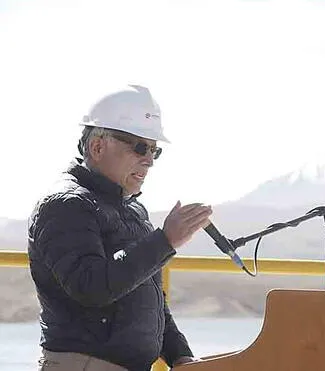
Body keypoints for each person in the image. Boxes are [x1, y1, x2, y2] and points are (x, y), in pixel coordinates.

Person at [27, 85, 212, 371]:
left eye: (154, 150)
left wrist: (180, 355)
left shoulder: (133, 210)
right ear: (97, 146)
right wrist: (164, 241)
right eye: (140, 147)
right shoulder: (65, 206)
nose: (149, 160)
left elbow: (151, 302)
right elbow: (91, 287)